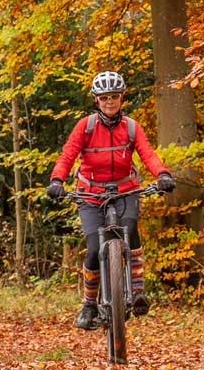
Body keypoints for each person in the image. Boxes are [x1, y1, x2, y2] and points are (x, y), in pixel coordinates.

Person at [46, 71, 177, 330]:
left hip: (125, 190)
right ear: (96, 100)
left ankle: (138, 292)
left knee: (129, 229)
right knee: (94, 248)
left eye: (114, 96)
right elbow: (67, 155)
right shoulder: (85, 126)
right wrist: (57, 180)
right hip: (90, 193)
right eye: (104, 97)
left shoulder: (131, 126)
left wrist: (162, 174)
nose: (109, 102)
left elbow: (148, 154)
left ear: (122, 97)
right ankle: (89, 304)